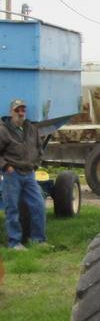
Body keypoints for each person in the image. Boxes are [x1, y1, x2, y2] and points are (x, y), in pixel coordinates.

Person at [0, 99, 47, 250]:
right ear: (11, 112)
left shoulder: (32, 128)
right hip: (12, 174)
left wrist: (35, 165)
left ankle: (38, 240)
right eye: (17, 110)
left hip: (29, 174)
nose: (20, 113)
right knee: (12, 209)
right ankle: (15, 243)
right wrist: (6, 166)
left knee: (38, 205)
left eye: (22, 110)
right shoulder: (3, 130)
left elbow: (39, 149)